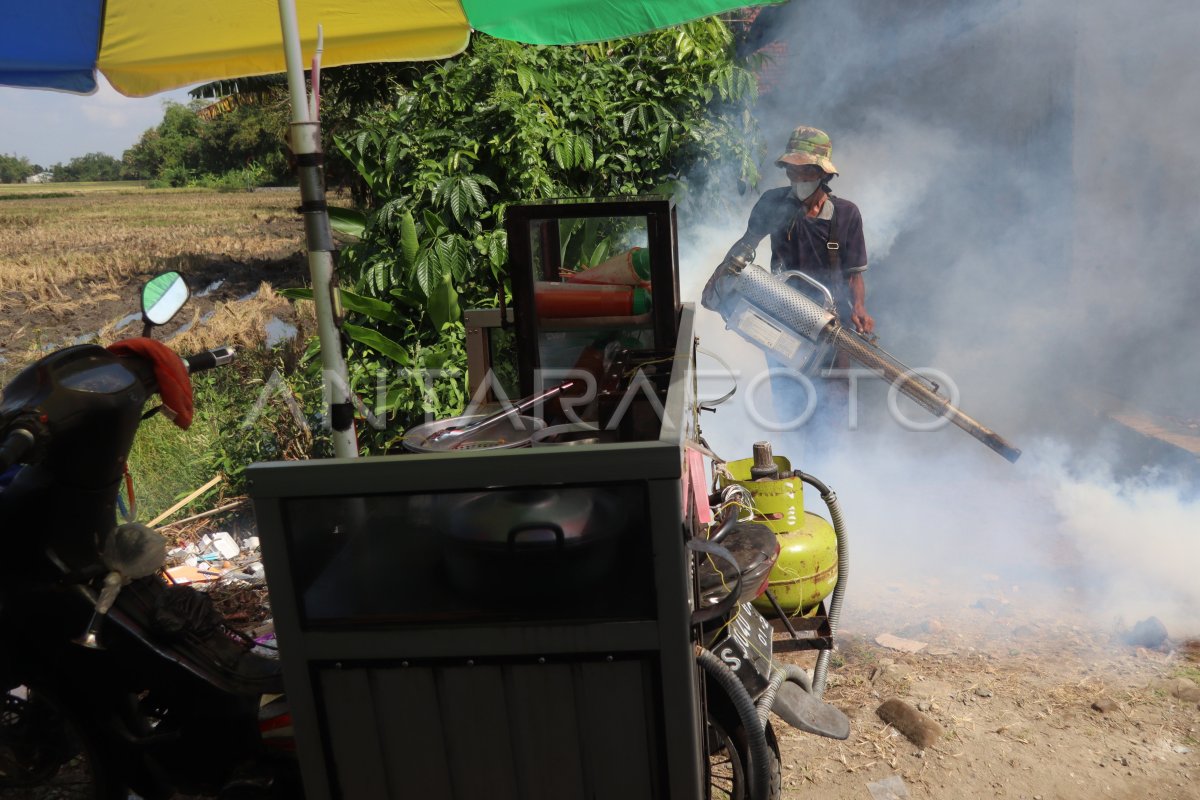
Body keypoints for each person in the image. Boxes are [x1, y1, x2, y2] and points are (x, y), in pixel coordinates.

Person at [702, 126, 874, 438]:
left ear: (822, 172)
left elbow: (854, 274)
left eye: (805, 170)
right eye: (792, 171)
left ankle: (833, 470)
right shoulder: (773, 203)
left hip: (833, 326)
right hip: (782, 317)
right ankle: (797, 466)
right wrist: (720, 275)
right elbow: (747, 243)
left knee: (832, 407)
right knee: (790, 402)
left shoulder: (847, 214)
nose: (798, 178)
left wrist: (860, 307)